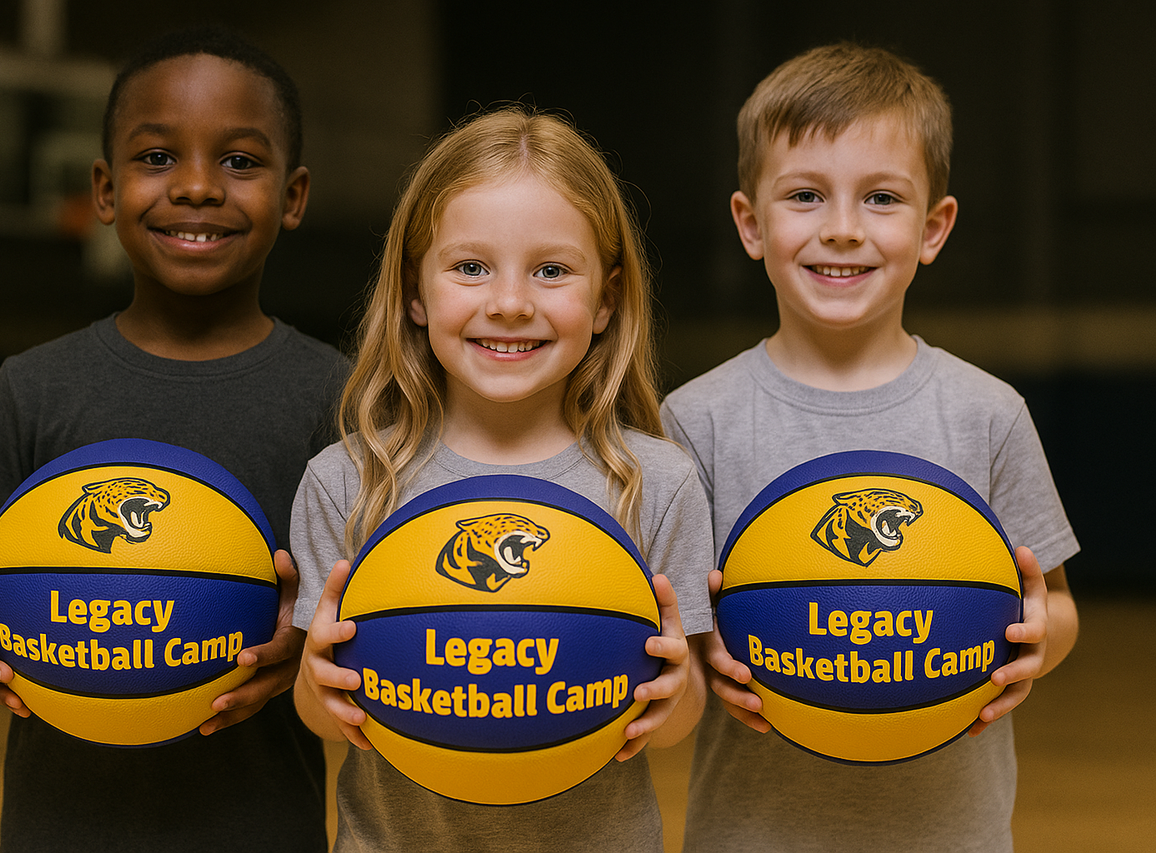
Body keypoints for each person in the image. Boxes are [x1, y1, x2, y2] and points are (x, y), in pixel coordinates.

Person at [0, 27, 344, 852]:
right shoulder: (33, 386)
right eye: (156, 158)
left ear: (293, 197)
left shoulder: (339, 396)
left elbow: (365, 604)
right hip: (59, 825)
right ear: (104, 190)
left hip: (259, 823)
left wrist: (304, 645)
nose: (195, 187)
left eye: (240, 162)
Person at [662, 43, 1080, 852]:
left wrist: (1038, 644)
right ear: (751, 223)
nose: (843, 229)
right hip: (754, 833)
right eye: (807, 196)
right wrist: (709, 658)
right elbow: (674, 628)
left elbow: (1055, 600)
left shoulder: (987, 413)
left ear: (933, 228)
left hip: (950, 833)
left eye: (881, 198)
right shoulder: (696, 420)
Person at [289, 106, 714, 852]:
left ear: (607, 298)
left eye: (551, 270)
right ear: (415, 292)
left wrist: (675, 692)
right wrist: (319, 686)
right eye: (470, 267)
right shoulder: (348, 480)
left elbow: (676, 722)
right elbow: (324, 715)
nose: (511, 302)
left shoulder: (657, 480)